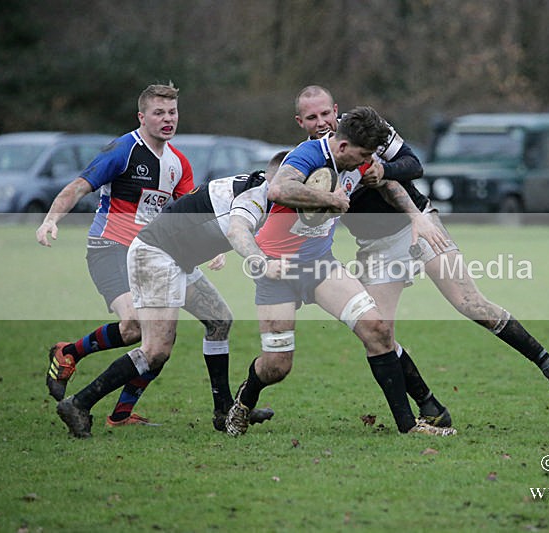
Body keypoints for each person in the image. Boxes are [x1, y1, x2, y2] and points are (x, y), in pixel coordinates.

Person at [293, 86, 549, 410]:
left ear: (336, 109)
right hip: (375, 247)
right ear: (300, 121)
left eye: (326, 113)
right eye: (312, 117)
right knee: (377, 333)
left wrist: (384, 171)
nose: (321, 122)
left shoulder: (366, 129)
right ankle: (430, 407)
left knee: (470, 303)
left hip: (417, 225)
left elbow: (414, 164)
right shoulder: (310, 161)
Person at [224, 106, 457, 437]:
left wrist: (415, 213)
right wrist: (328, 199)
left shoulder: (358, 159)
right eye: (362, 156)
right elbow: (279, 190)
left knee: (378, 330)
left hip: (320, 265)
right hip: (276, 268)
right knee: (277, 366)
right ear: (343, 147)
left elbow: (387, 183)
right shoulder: (308, 154)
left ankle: (409, 426)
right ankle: (244, 402)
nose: (365, 162)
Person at [54, 153, 287, 438]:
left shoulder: (267, 191)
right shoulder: (254, 195)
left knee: (219, 320)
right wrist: (262, 263)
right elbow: (239, 233)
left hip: (177, 258)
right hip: (156, 253)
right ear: (277, 180)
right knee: (155, 350)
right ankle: (79, 403)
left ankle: (223, 410)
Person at [36, 82, 201, 426]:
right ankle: (71, 353)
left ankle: (120, 413)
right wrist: (51, 220)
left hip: (151, 257)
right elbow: (77, 186)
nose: (167, 119)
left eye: (172, 112)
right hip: (109, 248)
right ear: (142, 117)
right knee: (137, 326)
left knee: (160, 339)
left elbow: (193, 210)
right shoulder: (123, 150)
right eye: (159, 113)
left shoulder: (178, 162)